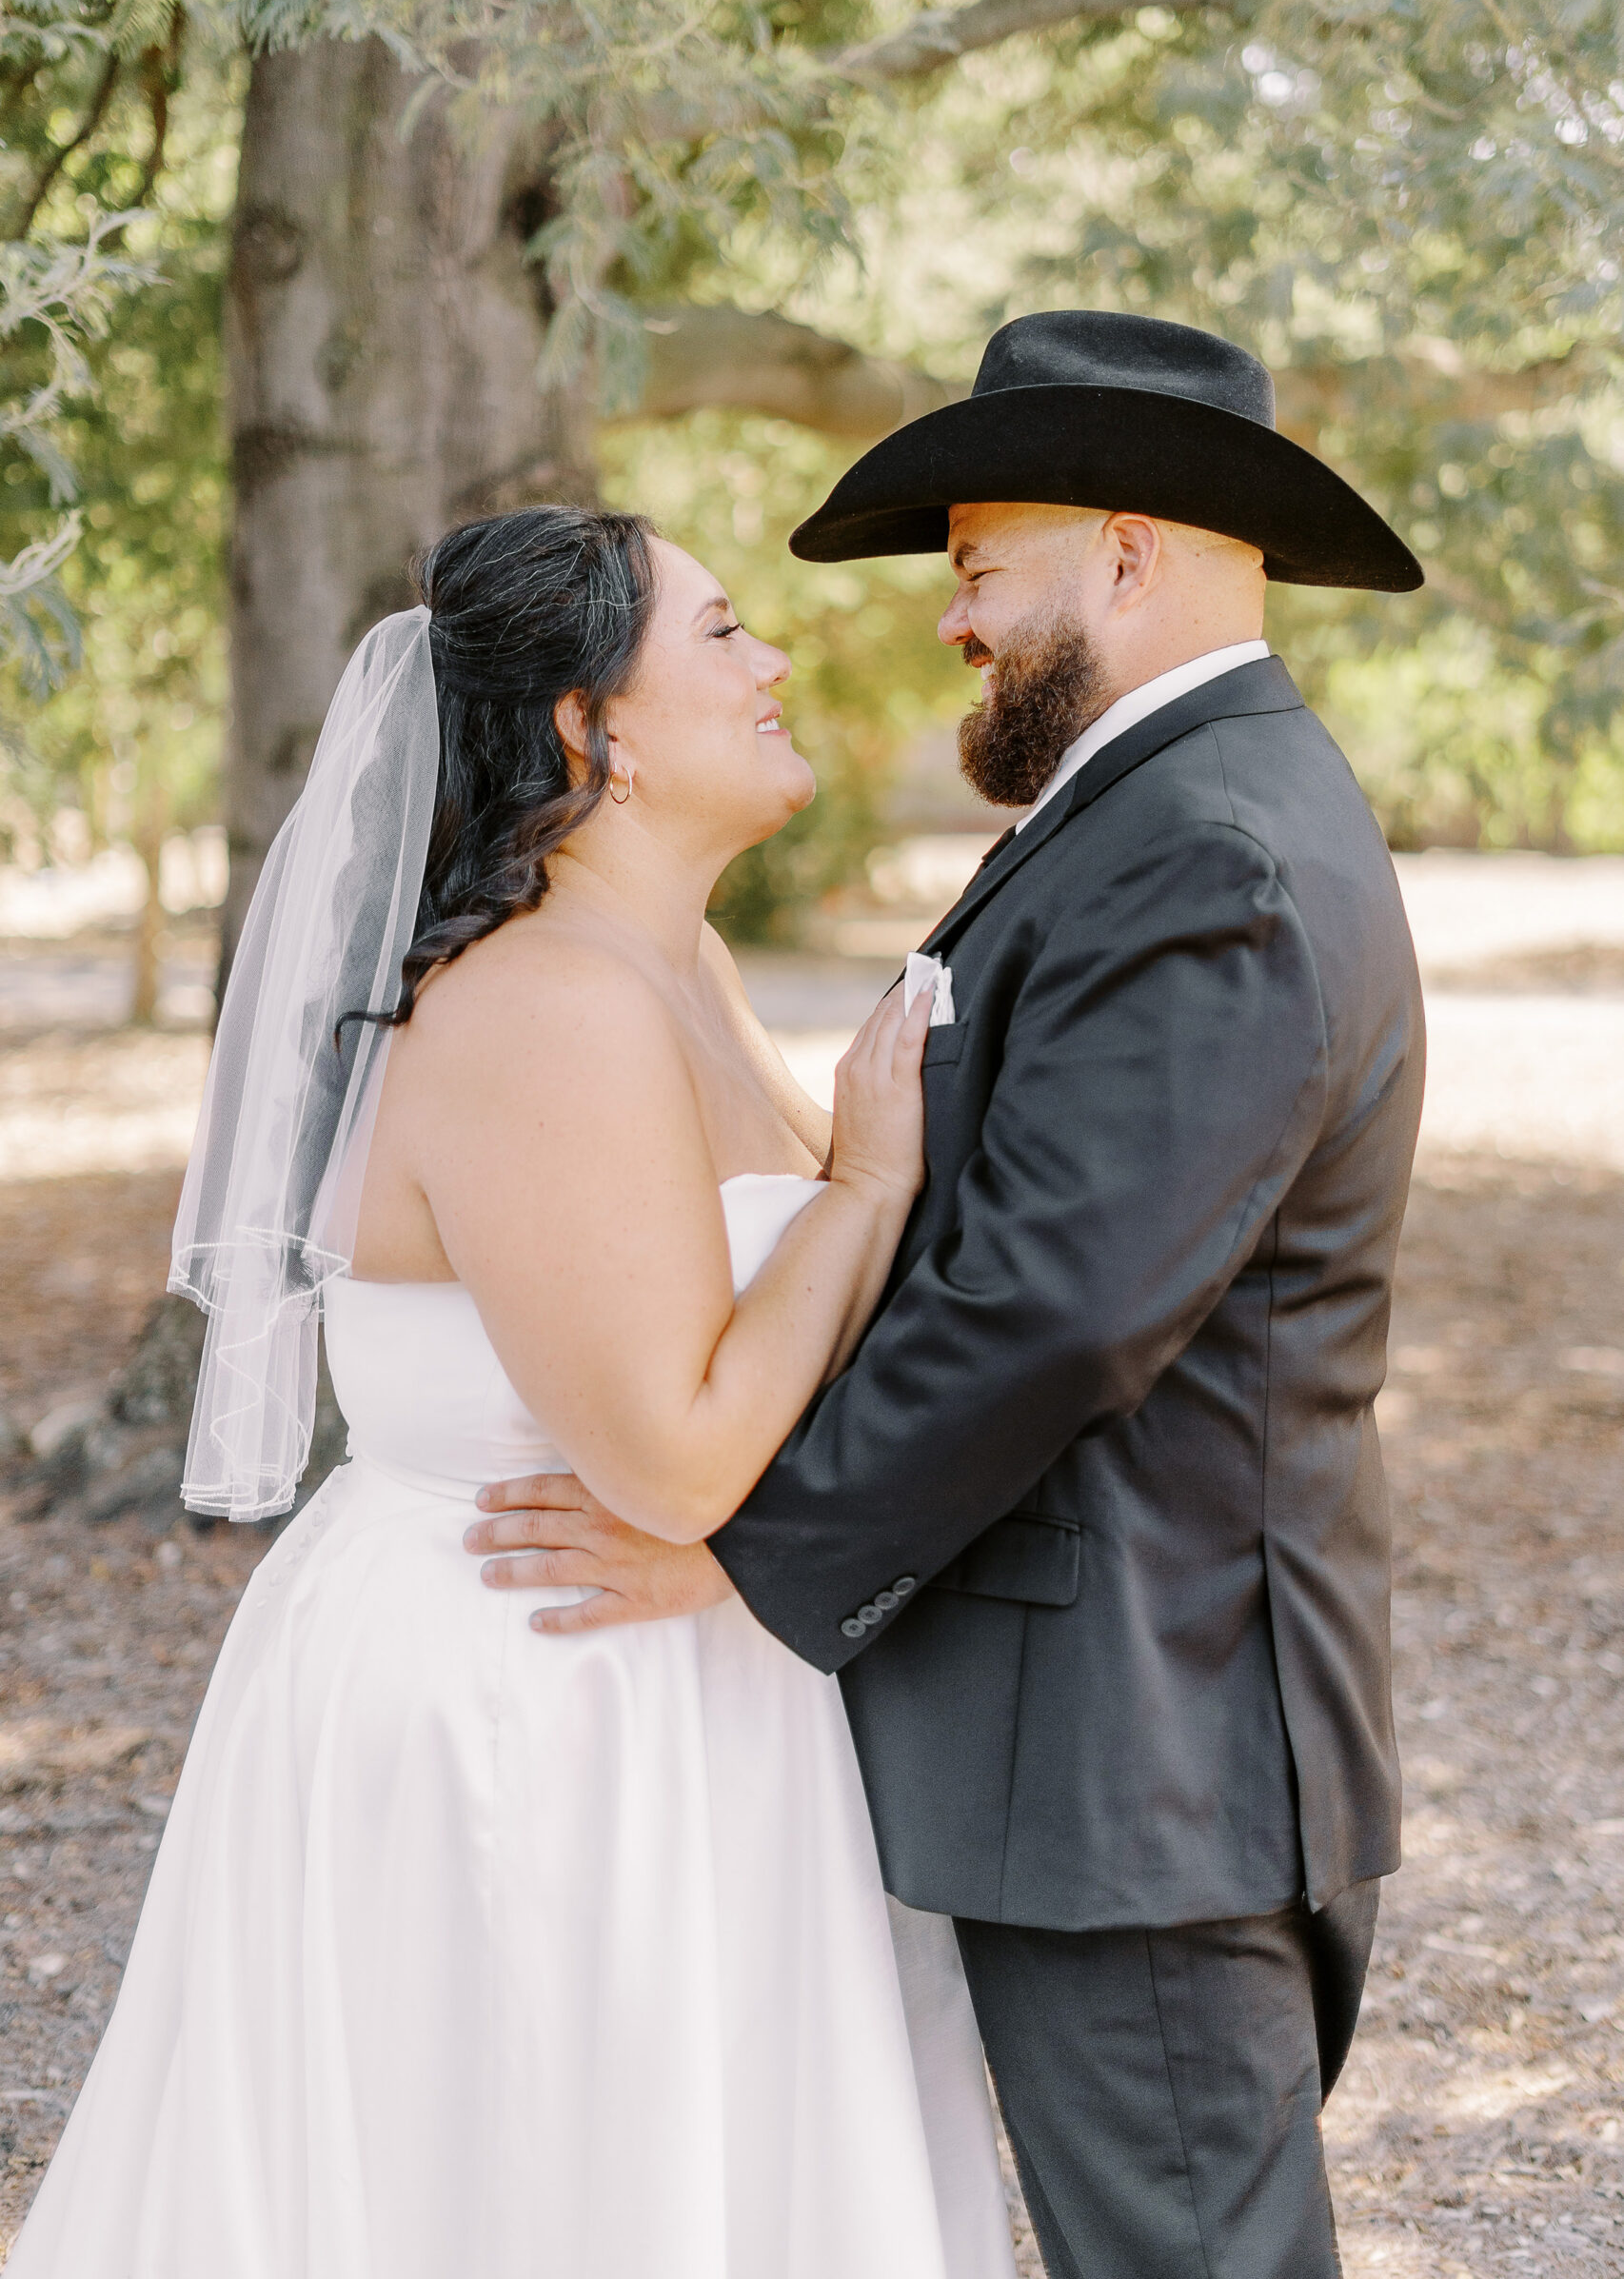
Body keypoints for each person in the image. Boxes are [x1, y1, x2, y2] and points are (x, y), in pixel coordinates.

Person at [468, 310, 1430, 2279]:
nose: (948, 621)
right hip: (1107, 1733)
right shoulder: (1157, 811)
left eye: (979, 564)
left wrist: (750, 1551)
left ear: (1131, 548)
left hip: (1141, 1742)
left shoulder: (1212, 848)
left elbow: (1060, 1305)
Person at [7, 505, 1019, 2278]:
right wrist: (863, 1189)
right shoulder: (542, 1005)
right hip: (530, 1690)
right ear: (586, 724)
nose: (774, 661)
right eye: (721, 634)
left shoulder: (674, 963)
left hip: (686, 1675)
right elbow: (680, 1459)